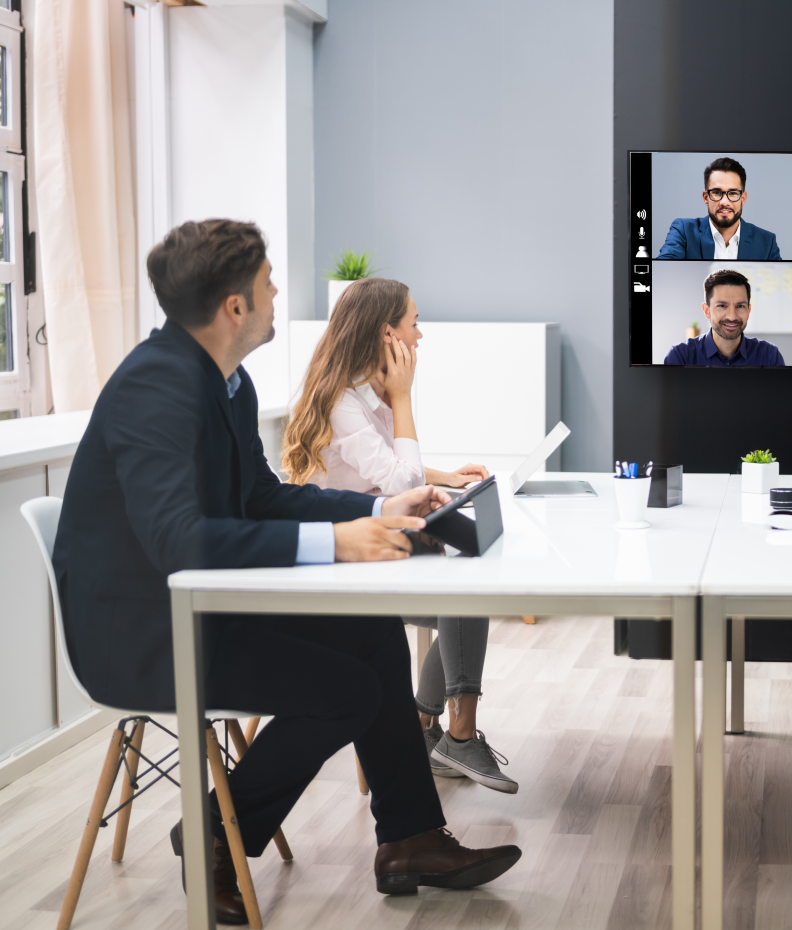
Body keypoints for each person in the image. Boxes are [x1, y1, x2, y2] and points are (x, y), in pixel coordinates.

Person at [51, 220, 520, 923]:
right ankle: (214, 830)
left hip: (202, 604)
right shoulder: (156, 387)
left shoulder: (227, 383)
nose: (278, 293)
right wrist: (336, 542)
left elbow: (261, 497)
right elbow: (179, 540)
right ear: (234, 306)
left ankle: (410, 837)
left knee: (373, 638)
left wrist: (377, 508)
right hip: (143, 634)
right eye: (269, 283)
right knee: (345, 690)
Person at [284, 277, 517, 794]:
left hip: (377, 544)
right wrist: (404, 397)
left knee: (467, 583)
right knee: (464, 585)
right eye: (414, 323)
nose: (420, 335)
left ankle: (430, 726)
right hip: (344, 563)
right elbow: (400, 480)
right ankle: (453, 735)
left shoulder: (362, 395)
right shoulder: (345, 402)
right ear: (387, 333)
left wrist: (445, 477)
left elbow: (391, 469)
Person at [657, 156, 783, 260]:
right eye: (717, 192)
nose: (724, 202)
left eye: (733, 193)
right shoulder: (683, 231)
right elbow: (664, 270)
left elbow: (779, 287)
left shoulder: (767, 242)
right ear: (706, 198)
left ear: (743, 199)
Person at [663, 268, 787, 366]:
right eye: (722, 305)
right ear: (707, 310)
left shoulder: (770, 355)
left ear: (748, 311)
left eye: (740, 306)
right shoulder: (681, 356)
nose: (732, 316)